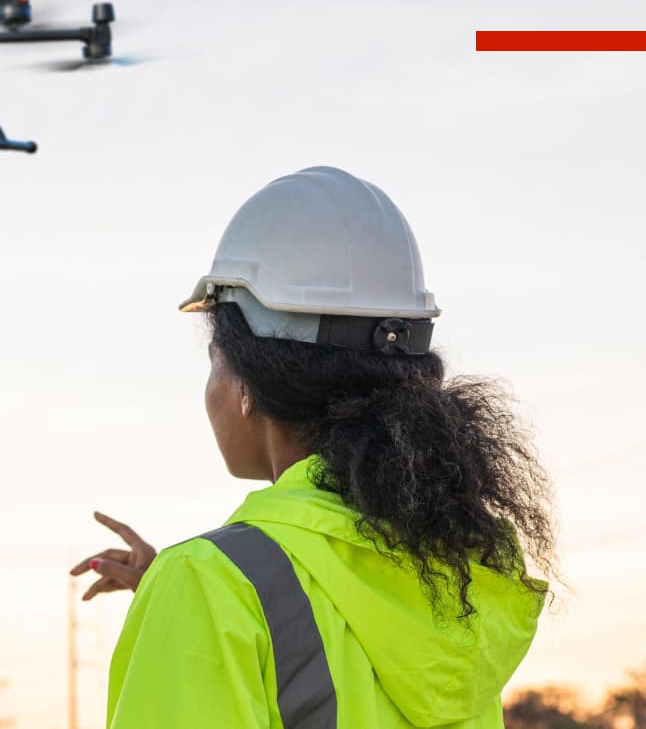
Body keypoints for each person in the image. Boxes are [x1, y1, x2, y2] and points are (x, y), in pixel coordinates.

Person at [71, 166, 556, 728]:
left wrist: (192, 601)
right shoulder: (450, 573)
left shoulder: (210, 584)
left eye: (215, 365)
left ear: (249, 386)